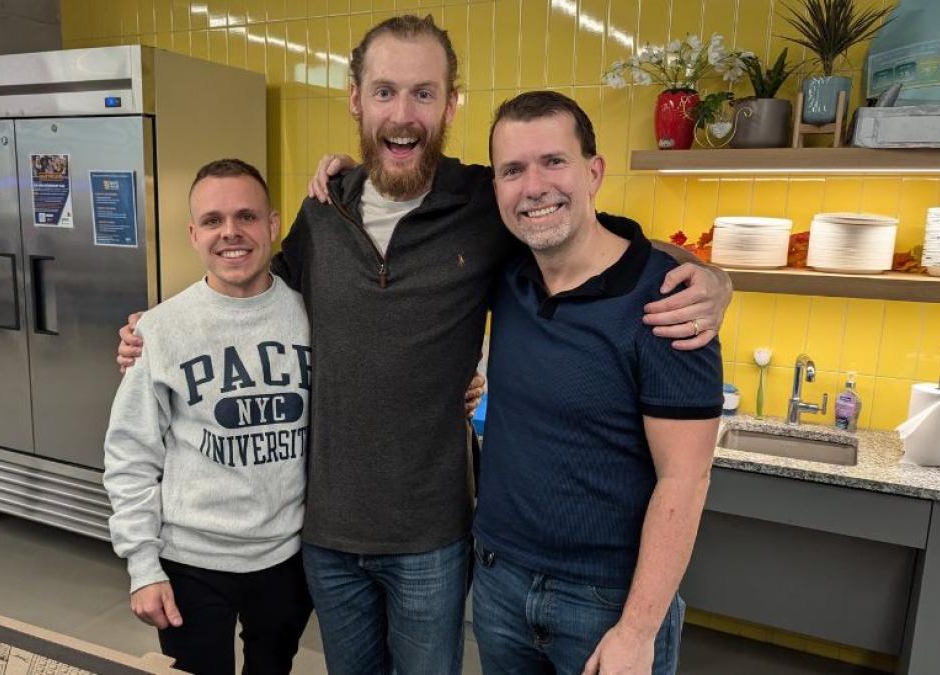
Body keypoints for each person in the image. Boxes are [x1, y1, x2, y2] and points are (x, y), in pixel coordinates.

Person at [118, 15, 731, 674]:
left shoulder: (483, 202)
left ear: (449, 105)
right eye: (384, 92)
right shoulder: (323, 213)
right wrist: (154, 331)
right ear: (355, 100)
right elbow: (249, 290)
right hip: (326, 535)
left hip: (433, 540)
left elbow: (576, 231)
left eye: (423, 93)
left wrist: (715, 278)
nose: (402, 114)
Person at [471, 91, 722, 675]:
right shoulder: (509, 274)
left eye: (554, 161)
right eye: (512, 170)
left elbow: (685, 479)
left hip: (606, 601)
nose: (534, 186)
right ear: (497, 190)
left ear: (594, 171)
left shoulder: (668, 301)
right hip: (498, 581)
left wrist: (637, 631)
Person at [103, 159, 313, 675]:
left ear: (273, 225)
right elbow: (130, 455)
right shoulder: (161, 329)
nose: (231, 233)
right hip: (191, 560)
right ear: (194, 234)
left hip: (286, 556)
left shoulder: (314, 316)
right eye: (214, 221)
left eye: (246, 216)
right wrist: (142, 565)